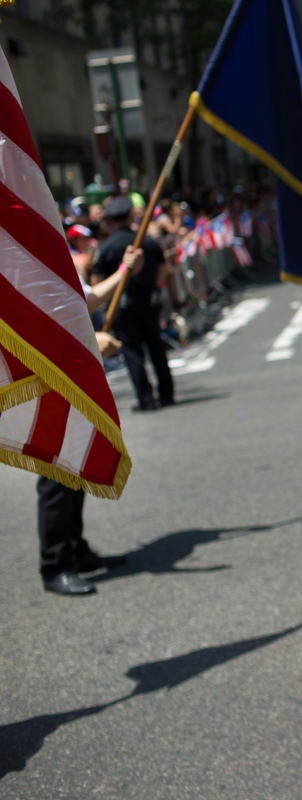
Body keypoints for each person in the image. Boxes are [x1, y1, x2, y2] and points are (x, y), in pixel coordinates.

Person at [38, 246, 144, 596]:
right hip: (45, 383)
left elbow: (83, 300)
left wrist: (123, 271)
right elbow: (31, 329)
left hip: (73, 380)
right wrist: (88, 342)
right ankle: (55, 564)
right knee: (57, 474)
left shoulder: (43, 252)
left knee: (75, 468)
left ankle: (74, 548)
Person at [91, 195, 174, 412]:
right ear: (130, 215)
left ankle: (146, 399)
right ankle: (167, 394)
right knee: (156, 346)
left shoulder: (107, 247)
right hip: (147, 299)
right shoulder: (148, 242)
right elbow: (163, 270)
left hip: (121, 305)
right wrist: (151, 284)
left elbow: (96, 282)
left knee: (132, 351)